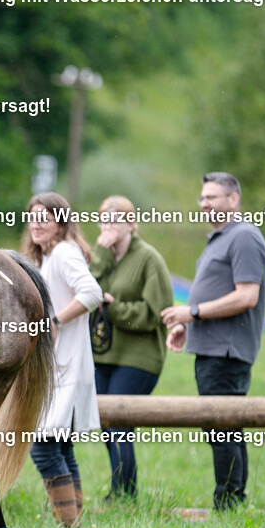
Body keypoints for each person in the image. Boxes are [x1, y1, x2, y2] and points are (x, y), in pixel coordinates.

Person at [161, 172, 265, 511]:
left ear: (233, 200)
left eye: (212, 197)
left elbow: (247, 296)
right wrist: (189, 326)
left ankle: (228, 501)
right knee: (223, 426)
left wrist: (192, 312)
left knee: (221, 426)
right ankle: (233, 499)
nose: (204, 204)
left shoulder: (244, 236)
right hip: (212, 348)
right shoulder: (221, 237)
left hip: (227, 352)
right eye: (202, 198)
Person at [23, 192, 103, 528]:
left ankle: (69, 524)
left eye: (45, 218)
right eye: (33, 217)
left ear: (61, 224)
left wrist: (55, 320)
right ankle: (74, 523)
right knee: (59, 445)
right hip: (59, 367)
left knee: (43, 446)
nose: (37, 224)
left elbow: (92, 293)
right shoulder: (47, 258)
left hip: (67, 366)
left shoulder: (65, 252)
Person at [90, 195, 173, 500]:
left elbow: (155, 313)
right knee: (106, 423)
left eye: (116, 220)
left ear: (131, 224)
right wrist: (101, 254)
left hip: (139, 357)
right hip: (104, 354)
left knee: (119, 424)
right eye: (104, 220)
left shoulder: (148, 258)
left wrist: (114, 309)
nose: (109, 227)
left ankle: (124, 494)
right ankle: (121, 490)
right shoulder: (103, 256)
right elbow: (88, 290)